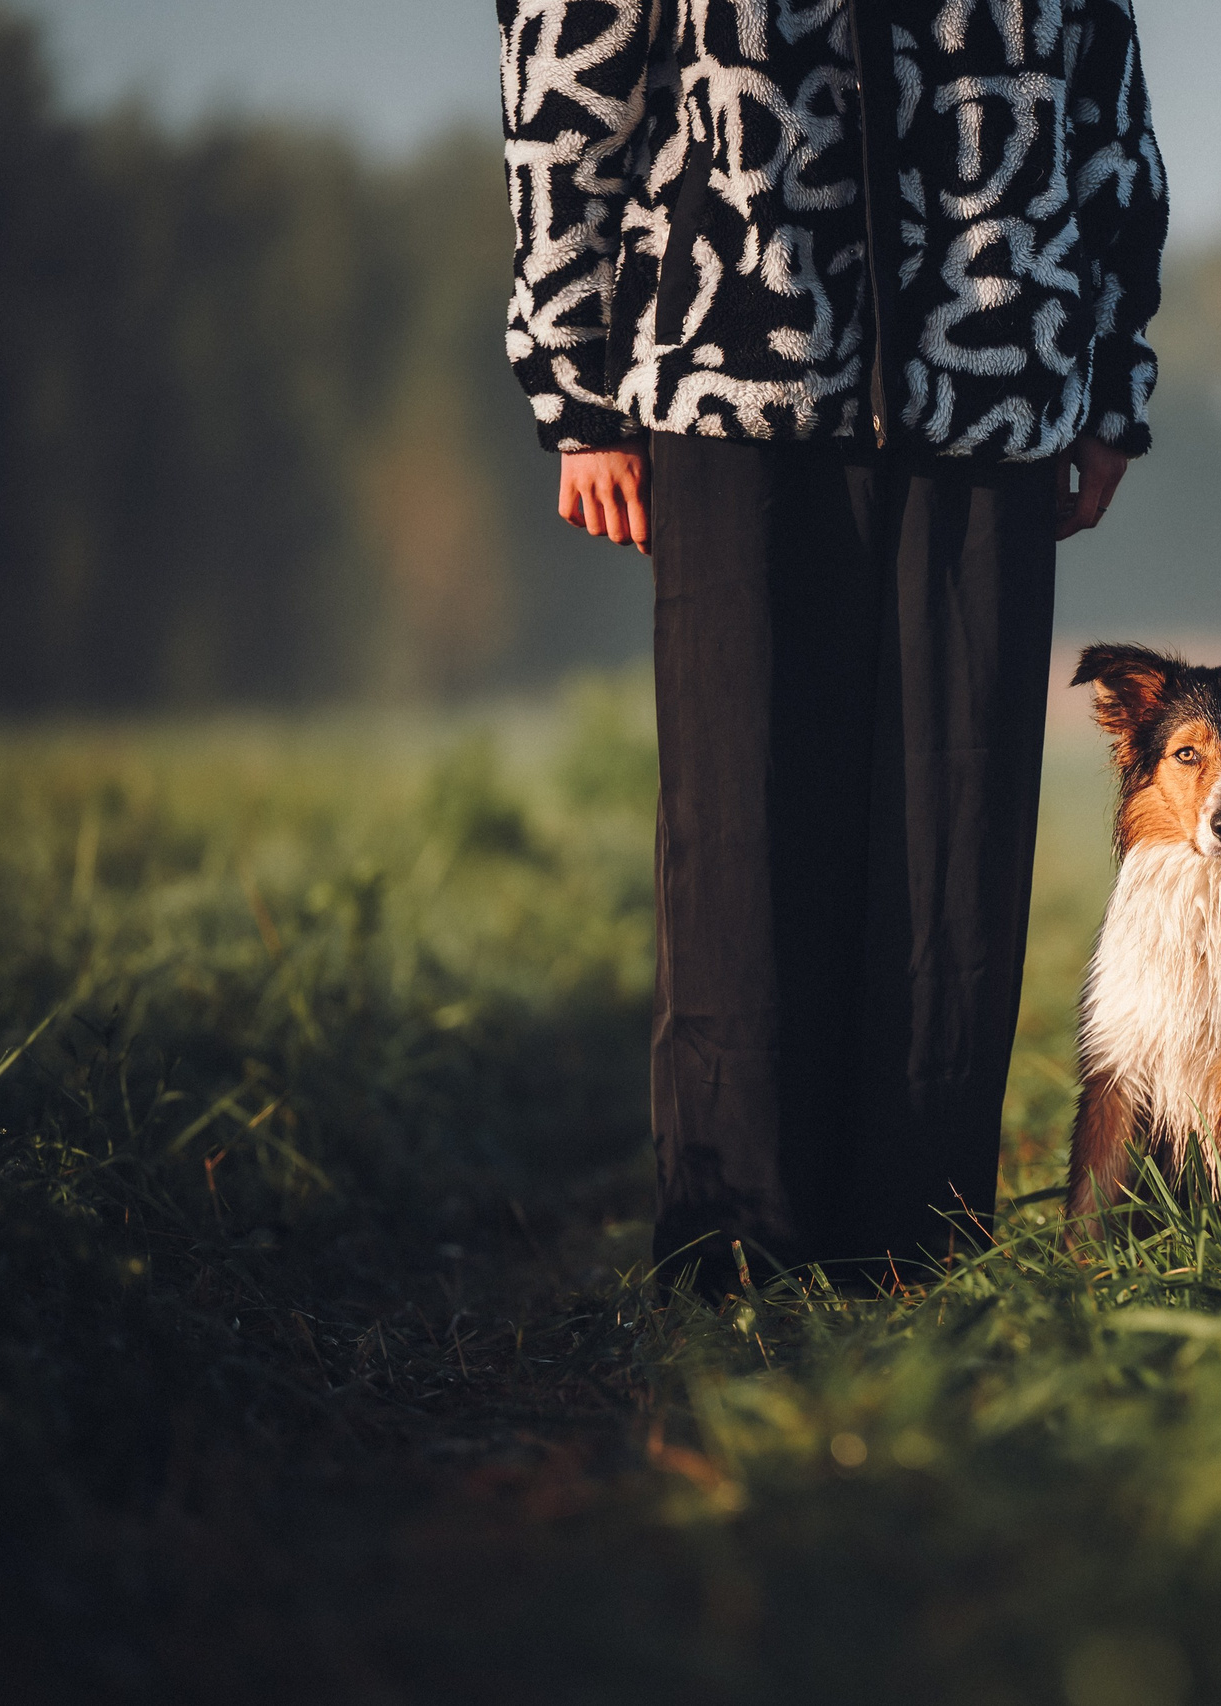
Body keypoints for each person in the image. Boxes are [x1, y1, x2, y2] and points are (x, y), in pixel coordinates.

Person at [497, 0, 1167, 1286]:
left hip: (991, 378)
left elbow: (1109, 126)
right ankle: (736, 1254)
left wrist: (1110, 385)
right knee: (740, 828)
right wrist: (574, 388)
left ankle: (915, 1253)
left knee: (953, 836)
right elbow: (562, 90)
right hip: (733, 371)